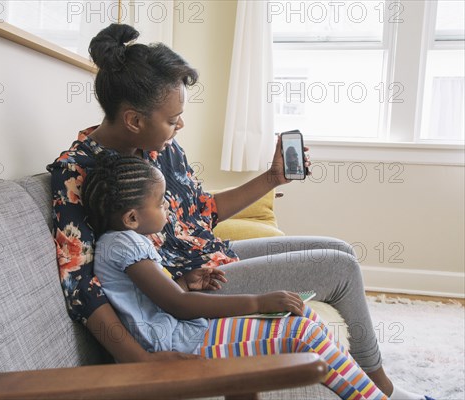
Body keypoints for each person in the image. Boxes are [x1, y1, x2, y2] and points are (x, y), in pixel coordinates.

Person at [47, 23, 433, 400]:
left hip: (205, 264)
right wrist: (142, 362)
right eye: (171, 118)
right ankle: (384, 388)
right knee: (339, 267)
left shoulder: (160, 148)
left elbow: (202, 212)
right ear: (134, 119)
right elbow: (81, 288)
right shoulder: (76, 172)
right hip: (181, 288)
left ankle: (374, 380)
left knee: (339, 249)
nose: (180, 124)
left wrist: (272, 178)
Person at [83, 152, 388, 399]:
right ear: (132, 217)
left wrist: (185, 281)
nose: (167, 208)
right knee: (302, 333)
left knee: (302, 315)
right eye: (161, 202)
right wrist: (258, 302)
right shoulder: (123, 245)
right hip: (178, 346)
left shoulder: (125, 240)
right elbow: (177, 305)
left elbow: (154, 300)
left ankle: (370, 391)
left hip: (184, 334)